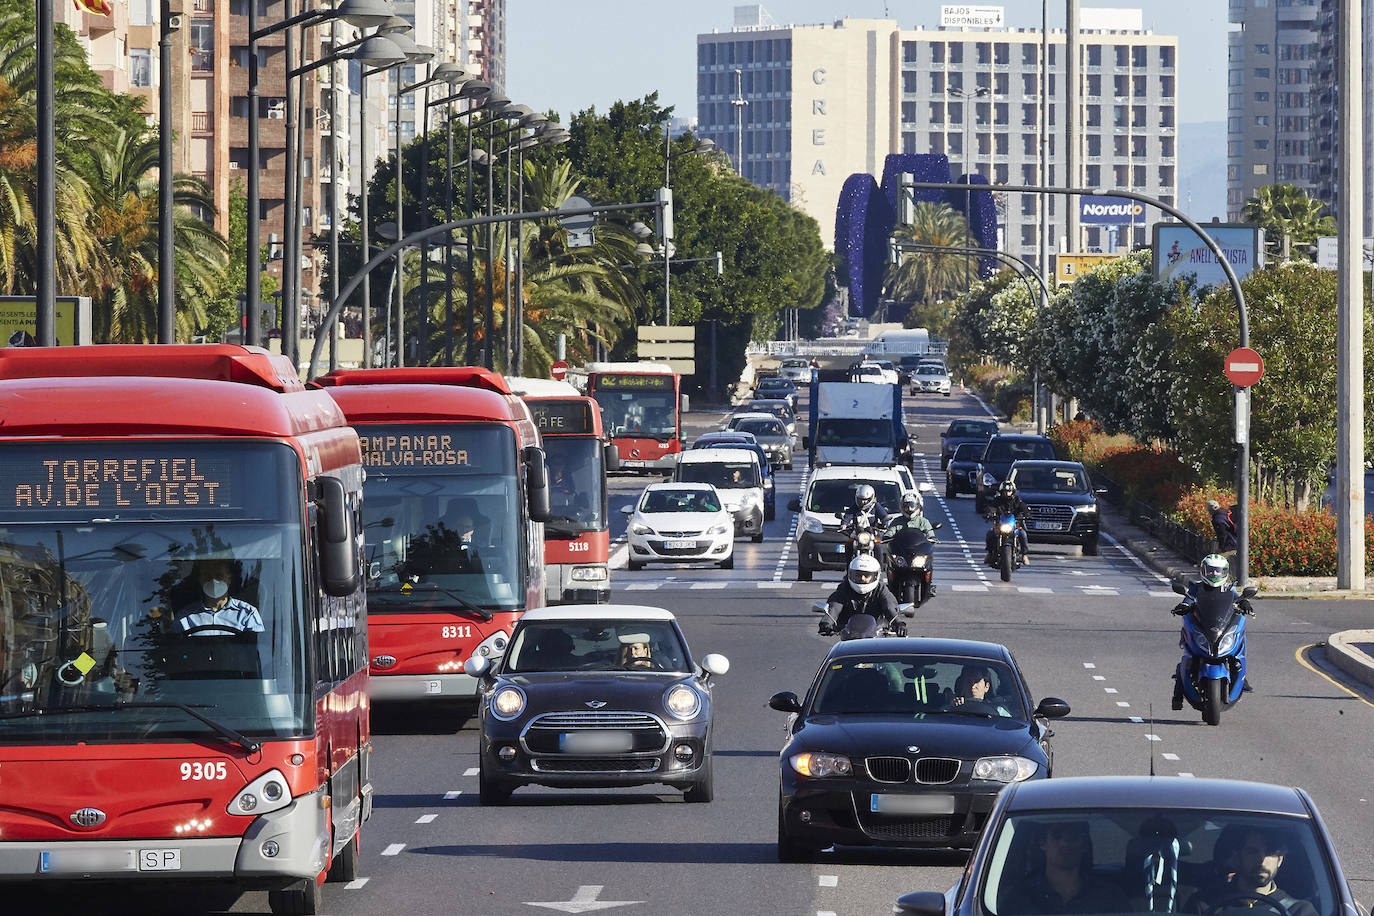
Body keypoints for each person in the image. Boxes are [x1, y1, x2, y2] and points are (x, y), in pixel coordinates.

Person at [1172, 554, 1255, 707]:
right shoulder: (1196, 588)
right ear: (1204, 571)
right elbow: (1188, 598)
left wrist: (1245, 603)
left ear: (1225, 573)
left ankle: (1241, 677)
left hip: (1221, 626)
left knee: (1240, 637)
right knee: (1187, 656)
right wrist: (1184, 605)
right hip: (1202, 627)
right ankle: (1178, 694)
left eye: (1218, 571)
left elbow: (1238, 598)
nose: (1214, 574)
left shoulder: (1229, 589)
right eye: (1211, 571)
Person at [1002, 820, 1131, 915]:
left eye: (1073, 836)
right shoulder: (1018, 897)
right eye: (1057, 835)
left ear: (1084, 846)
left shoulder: (1110, 896)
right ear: (1042, 843)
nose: (1065, 843)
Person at [1190, 828, 1317, 916]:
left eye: (1270, 853)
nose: (1261, 860)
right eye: (1253, 852)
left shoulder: (1299, 911)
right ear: (1237, 856)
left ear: (1280, 860)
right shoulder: (1205, 904)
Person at [175, 558, 264, 636]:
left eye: (219, 576)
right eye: (207, 576)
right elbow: (177, 651)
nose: (213, 581)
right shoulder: (185, 617)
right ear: (200, 580)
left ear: (229, 579)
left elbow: (257, 649)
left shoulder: (247, 614)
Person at [821, 555, 902, 636]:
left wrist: (899, 623)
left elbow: (889, 607)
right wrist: (826, 623)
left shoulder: (881, 589)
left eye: (866, 575)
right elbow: (834, 607)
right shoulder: (844, 588)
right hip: (849, 635)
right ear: (850, 574)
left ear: (876, 576)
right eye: (858, 575)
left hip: (877, 634)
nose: (862, 578)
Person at [984, 479, 1031, 567]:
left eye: (1009, 491)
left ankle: (1024, 555)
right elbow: (991, 507)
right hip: (1000, 525)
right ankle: (990, 553)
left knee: (1023, 534)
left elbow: (1023, 507)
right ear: (1002, 492)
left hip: (1014, 525)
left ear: (1013, 491)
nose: (1007, 493)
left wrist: (1026, 513)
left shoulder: (1017, 500)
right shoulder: (997, 500)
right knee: (990, 534)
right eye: (1005, 491)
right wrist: (989, 513)